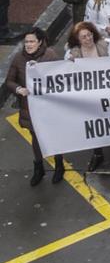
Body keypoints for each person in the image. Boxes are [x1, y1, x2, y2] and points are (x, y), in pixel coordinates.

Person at [2, 26, 59, 186]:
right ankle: (39, 167)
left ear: (40, 42)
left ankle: (59, 164)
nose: (28, 44)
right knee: (35, 138)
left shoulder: (50, 56)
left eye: (32, 41)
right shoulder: (19, 58)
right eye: (26, 41)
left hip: (49, 105)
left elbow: (61, 77)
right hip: (30, 107)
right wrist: (19, 89)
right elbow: (10, 81)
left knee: (53, 136)